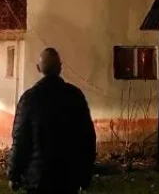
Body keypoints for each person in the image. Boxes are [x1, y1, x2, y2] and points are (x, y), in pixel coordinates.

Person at [8, 48, 96, 193]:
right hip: (67, 178)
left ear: (38, 68)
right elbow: (87, 138)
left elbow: (21, 140)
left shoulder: (29, 99)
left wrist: (14, 174)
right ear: (60, 67)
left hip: (37, 180)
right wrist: (85, 176)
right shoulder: (74, 96)